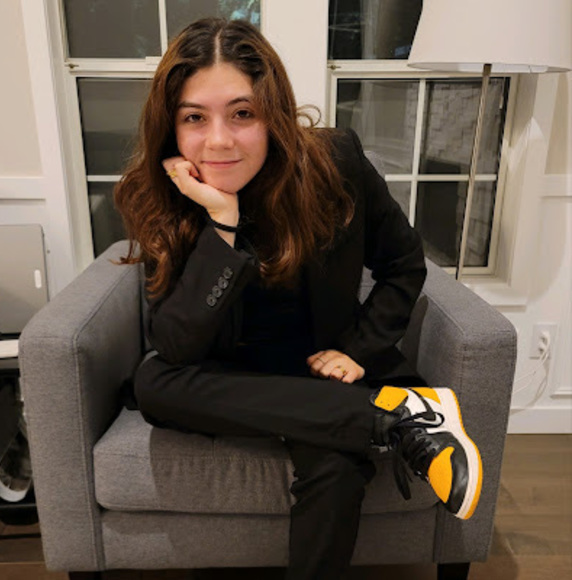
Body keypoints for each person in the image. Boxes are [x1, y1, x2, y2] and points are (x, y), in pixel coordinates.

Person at [114, 17, 482, 580]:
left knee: (335, 465)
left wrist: (358, 350)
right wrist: (221, 221)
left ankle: (382, 416)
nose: (218, 140)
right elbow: (175, 344)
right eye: (194, 117)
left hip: (323, 371)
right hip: (234, 380)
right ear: (172, 128)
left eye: (242, 113)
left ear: (274, 114)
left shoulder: (336, 163)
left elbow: (404, 264)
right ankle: (396, 419)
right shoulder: (168, 196)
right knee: (153, 382)